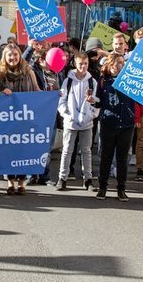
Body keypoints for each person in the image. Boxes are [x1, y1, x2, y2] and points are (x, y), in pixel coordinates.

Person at [0, 43, 40, 194]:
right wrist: (1, 92)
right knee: (9, 150)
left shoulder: (28, 71)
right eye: (9, 55)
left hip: (24, 118)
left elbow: (37, 90)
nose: (12, 58)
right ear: (5, 57)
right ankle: (10, 181)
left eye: (15, 55)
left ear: (19, 56)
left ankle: (21, 182)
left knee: (23, 150)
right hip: (7, 119)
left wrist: (51, 96)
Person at [94, 53, 135, 202]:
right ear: (110, 64)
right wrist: (92, 100)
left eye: (122, 63)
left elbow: (140, 96)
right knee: (106, 156)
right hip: (108, 123)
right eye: (116, 63)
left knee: (122, 159)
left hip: (126, 123)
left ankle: (121, 189)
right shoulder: (104, 80)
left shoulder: (130, 80)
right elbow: (98, 102)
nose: (119, 66)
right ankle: (102, 187)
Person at [57, 51, 98, 191]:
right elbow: (61, 100)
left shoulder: (92, 81)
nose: (83, 67)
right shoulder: (68, 81)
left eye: (86, 64)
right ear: (75, 63)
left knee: (86, 151)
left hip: (87, 122)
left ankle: (88, 179)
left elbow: (97, 101)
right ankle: (62, 178)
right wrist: (66, 115)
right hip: (70, 121)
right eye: (80, 64)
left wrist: (92, 113)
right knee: (67, 150)